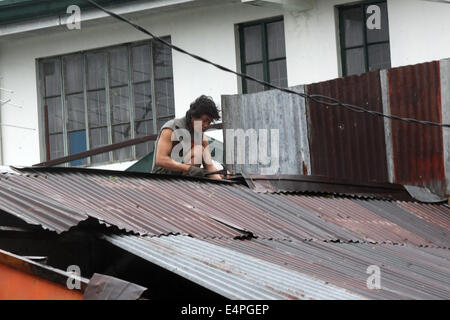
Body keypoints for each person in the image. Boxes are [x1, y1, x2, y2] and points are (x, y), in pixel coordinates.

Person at [152, 95, 224, 179]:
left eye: (209, 122)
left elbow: (209, 167)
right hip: (160, 178)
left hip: (183, 179)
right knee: (198, 150)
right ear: (193, 116)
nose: (206, 125)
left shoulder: (201, 137)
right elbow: (160, 160)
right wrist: (189, 168)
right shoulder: (171, 128)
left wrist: (222, 180)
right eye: (205, 120)